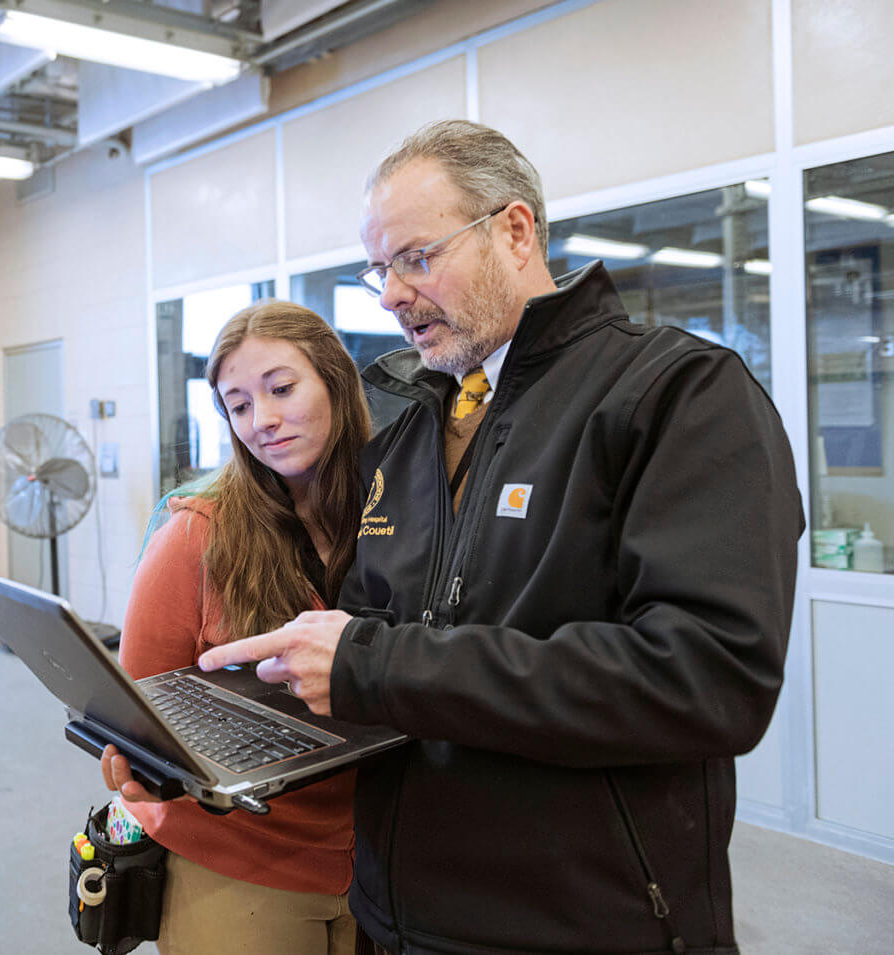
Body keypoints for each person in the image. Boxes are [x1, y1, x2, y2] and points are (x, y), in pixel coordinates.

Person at [199, 120, 805, 955]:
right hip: (395, 917)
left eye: (417, 257)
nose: (390, 295)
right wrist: (216, 727)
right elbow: (371, 653)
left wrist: (373, 665)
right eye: (380, 269)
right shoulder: (406, 435)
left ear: (515, 230)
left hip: (579, 925)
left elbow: (707, 676)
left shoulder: (676, 394)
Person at [102, 299, 371, 954]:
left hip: (390, 860)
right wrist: (133, 760)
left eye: (282, 388)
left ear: (335, 381)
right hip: (241, 864)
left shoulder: (406, 510)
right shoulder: (196, 533)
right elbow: (138, 709)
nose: (264, 421)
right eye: (239, 404)